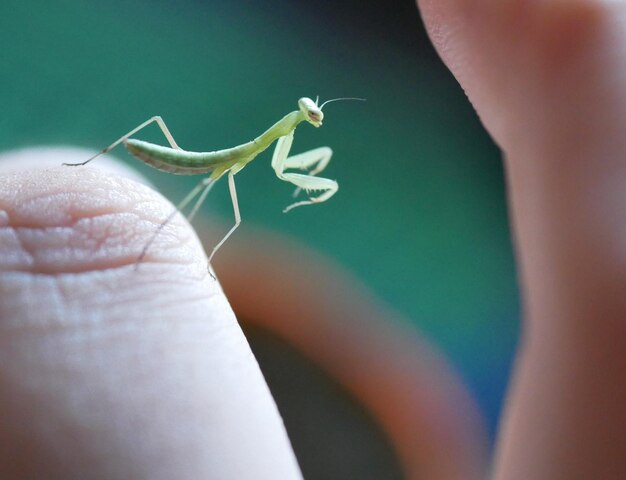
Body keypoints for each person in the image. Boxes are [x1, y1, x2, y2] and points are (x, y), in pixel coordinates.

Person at [0, 1, 623, 478]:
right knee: (217, 210)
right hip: (170, 154)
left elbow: (291, 167)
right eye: (311, 115)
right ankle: (94, 170)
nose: (314, 120)